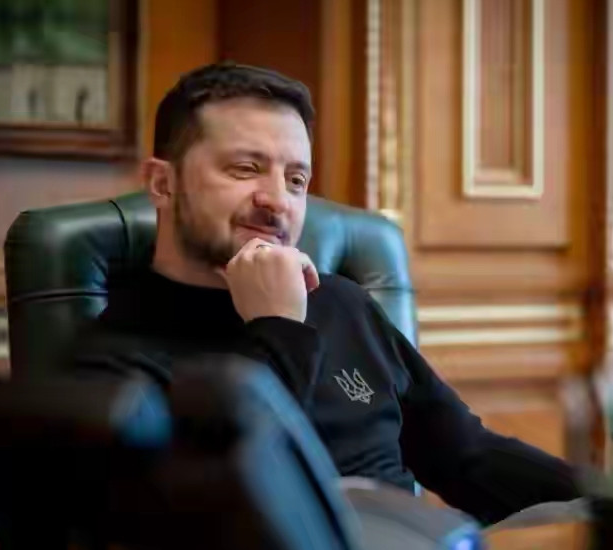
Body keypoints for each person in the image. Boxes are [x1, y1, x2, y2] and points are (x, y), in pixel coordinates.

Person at [73, 62, 582, 526]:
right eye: (245, 169)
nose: (278, 201)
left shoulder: (342, 303)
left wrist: (596, 495)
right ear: (163, 184)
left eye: (296, 179)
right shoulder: (112, 362)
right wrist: (277, 328)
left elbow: (467, 456)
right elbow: (229, 509)